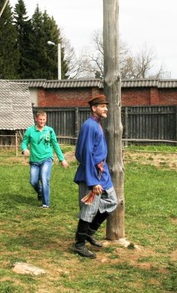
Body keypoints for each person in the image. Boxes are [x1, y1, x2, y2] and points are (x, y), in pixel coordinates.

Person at [72, 95, 118, 258]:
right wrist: (92, 182)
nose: (106, 108)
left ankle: (89, 232)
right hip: (91, 173)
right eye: (102, 106)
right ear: (94, 108)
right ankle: (79, 244)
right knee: (89, 209)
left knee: (112, 201)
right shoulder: (89, 126)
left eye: (106, 106)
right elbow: (84, 154)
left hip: (102, 172)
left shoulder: (97, 124)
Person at [21, 111, 68, 208]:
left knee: (44, 178)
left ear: (46, 119)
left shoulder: (49, 130)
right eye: (40, 119)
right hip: (34, 161)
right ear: (36, 119)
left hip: (47, 158)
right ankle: (40, 192)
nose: (42, 121)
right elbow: (24, 142)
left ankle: (46, 204)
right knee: (33, 181)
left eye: (44, 119)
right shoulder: (30, 131)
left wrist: (62, 159)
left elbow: (55, 145)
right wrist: (24, 149)